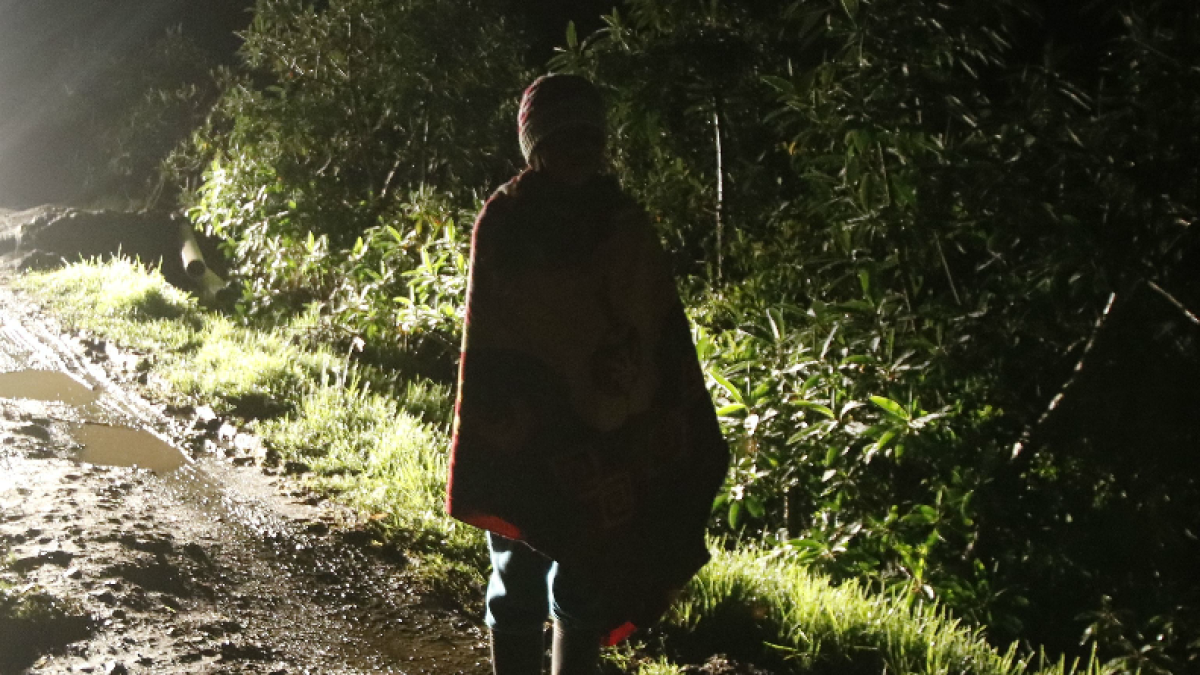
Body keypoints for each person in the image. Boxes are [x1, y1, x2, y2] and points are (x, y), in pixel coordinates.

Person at [446, 74, 729, 675]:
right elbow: (495, 336)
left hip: (609, 435)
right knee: (516, 571)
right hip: (526, 432)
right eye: (561, 137)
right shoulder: (507, 220)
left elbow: (655, 328)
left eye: (588, 136)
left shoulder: (623, 221)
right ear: (536, 146)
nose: (578, 149)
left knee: (588, 575)